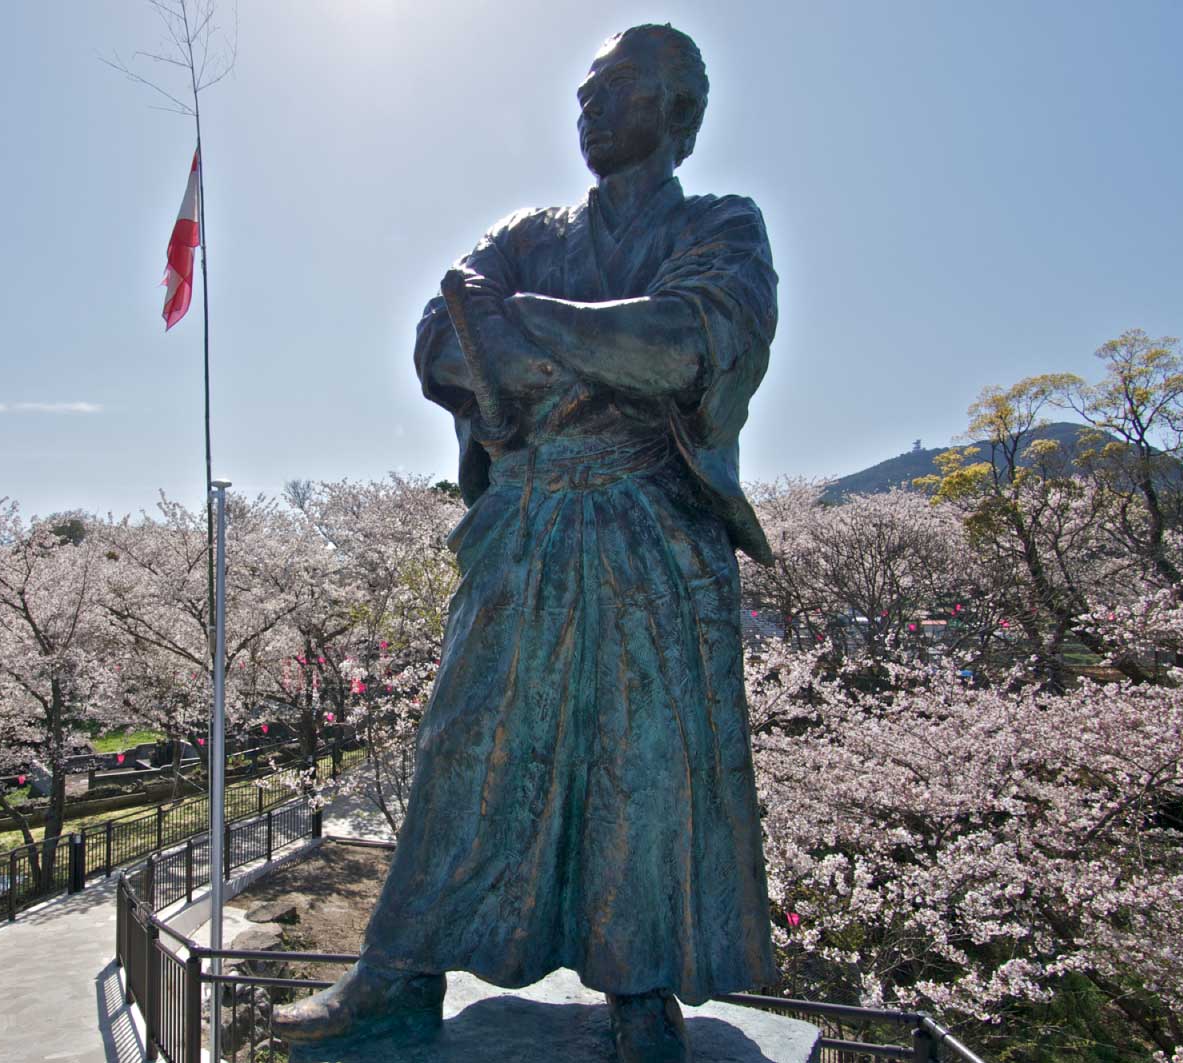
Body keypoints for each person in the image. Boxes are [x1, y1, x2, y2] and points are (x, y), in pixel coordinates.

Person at [274, 24, 778, 1062]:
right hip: (529, 521)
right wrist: (595, 349)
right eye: (583, 91)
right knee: (465, 742)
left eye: (616, 89)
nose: (587, 107)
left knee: (638, 757)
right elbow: (436, 342)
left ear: (678, 114)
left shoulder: (724, 225)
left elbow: (689, 344)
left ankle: (641, 991)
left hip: (652, 529)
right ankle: (396, 972)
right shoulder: (525, 231)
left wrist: (527, 329)